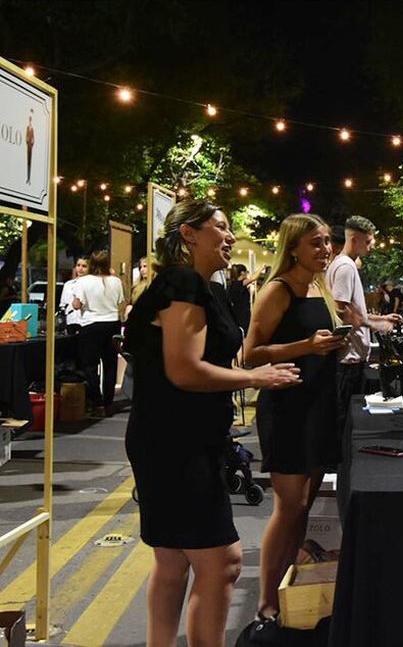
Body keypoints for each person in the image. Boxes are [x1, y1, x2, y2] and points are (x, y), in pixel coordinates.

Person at [124, 199, 299, 647]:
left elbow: (222, 354)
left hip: (173, 436)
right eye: (220, 227)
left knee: (173, 560)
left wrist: (288, 353)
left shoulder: (203, 286)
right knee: (222, 562)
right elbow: (184, 369)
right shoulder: (183, 283)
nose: (229, 236)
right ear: (189, 234)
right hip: (176, 441)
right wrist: (254, 377)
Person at [244, 214, 347, 622]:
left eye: (326, 242)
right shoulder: (278, 290)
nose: (325, 250)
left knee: (304, 508)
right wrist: (307, 345)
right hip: (287, 408)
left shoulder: (317, 287)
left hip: (320, 403)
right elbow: (250, 354)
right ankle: (266, 601)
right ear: (293, 249)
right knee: (287, 507)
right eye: (316, 244)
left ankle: (289, 587)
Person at [325, 215, 403, 446]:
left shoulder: (340, 264)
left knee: (343, 415)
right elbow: (340, 308)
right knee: (343, 417)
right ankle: (338, 465)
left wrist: (379, 318)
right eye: (367, 242)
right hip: (347, 357)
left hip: (349, 356)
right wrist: (374, 324)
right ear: (354, 238)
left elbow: (353, 308)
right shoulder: (346, 266)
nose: (370, 247)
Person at [73, 250, 125, 416]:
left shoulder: (83, 281)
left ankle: (97, 403)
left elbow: (76, 305)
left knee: (90, 366)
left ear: (91, 264)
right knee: (110, 364)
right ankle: (109, 402)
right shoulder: (116, 281)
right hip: (112, 324)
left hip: (91, 325)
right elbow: (120, 302)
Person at [60, 257, 89, 334]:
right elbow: (63, 304)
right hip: (71, 321)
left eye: (84, 266)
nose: (80, 268)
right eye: (78, 265)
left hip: (86, 321)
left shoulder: (92, 285)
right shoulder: (68, 285)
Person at [227, 264, 252, 336]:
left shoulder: (232, 284)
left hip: (236, 312)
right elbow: (254, 277)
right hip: (243, 313)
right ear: (242, 273)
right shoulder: (240, 283)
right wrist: (262, 267)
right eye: (246, 272)